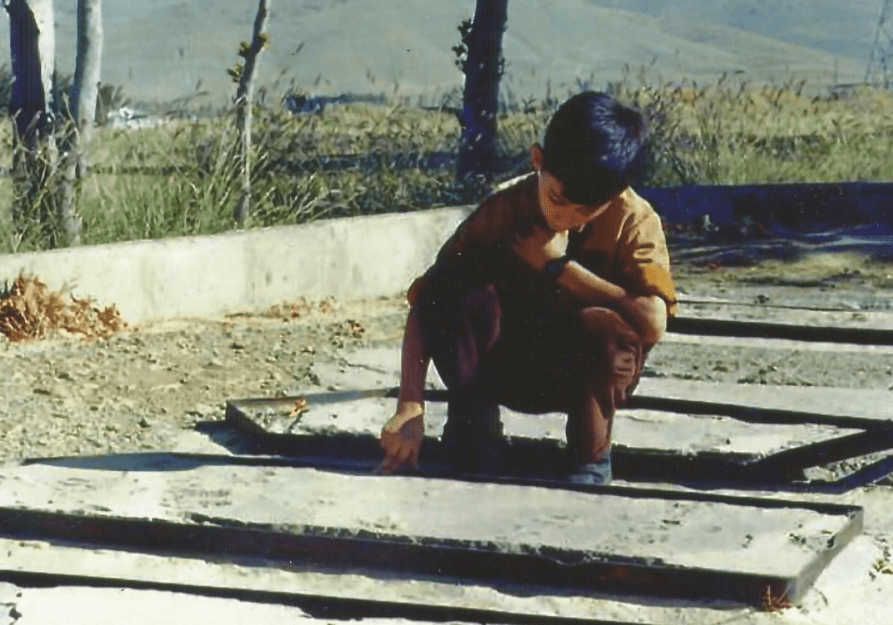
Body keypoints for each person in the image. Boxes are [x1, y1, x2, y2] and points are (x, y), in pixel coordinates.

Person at [377, 91, 678, 484]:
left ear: (616, 193)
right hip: (503, 362)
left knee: (604, 328)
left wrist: (561, 267)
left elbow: (653, 322)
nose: (564, 217)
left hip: (580, 376)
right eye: (557, 199)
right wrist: (410, 405)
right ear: (538, 160)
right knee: (458, 290)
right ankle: (474, 432)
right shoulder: (504, 210)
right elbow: (430, 299)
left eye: (586, 211)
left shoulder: (635, 220)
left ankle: (590, 454)